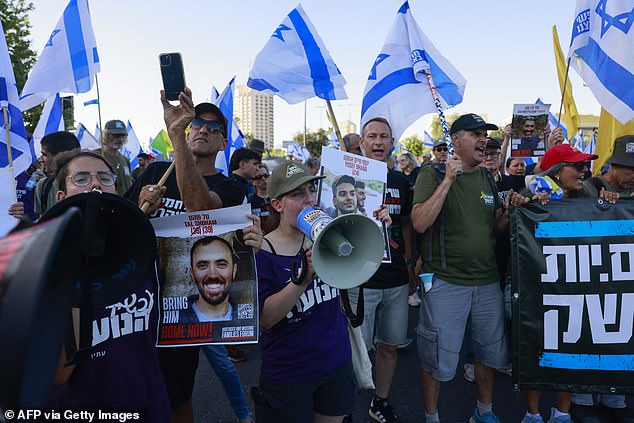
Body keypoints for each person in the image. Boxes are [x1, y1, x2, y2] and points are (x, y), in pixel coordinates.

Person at [127, 89, 261, 423]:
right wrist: (140, 207)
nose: (202, 129)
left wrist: (177, 138)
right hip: (136, 302)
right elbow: (123, 232)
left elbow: (200, 209)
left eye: (212, 127)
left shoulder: (231, 187)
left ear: (223, 141)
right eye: (196, 123)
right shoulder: (155, 172)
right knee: (128, 390)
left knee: (177, 398)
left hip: (181, 311)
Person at [411, 113, 521, 423]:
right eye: (475, 134)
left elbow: (494, 228)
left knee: (487, 354)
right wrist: (448, 180)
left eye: (485, 134)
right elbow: (419, 223)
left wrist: (508, 213)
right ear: (455, 140)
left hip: (487, 281)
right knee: (436, 359)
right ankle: (432, 416)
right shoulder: (432, 174)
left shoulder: (487, 177)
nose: (483, 139)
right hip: (446, 281)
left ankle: (483, 412)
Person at [46, 149, 171, 422]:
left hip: (147, 404)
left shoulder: (141, 248)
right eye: (80, 178)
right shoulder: (46, 265)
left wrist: (247, 251)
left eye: (104, 177)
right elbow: (59, 374)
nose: (94, 184)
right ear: (61, 197)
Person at [254, 160, 355, 423]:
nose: (309, 199)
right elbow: (266, 318)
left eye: (311, 190)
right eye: (297, 194)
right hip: (289, 373)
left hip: (335, 361)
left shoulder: (328, 237)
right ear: (277, 204)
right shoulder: (262, 252)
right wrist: (302, 278)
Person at [520, 143, 601, 423]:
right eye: (577, 166)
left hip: (573, 285)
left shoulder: (590, 192)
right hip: (536, 284)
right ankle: (532, 414)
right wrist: (525, 205)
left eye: (585, 166)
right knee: (535, 345)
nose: (584, 171)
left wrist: (612, 201)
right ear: (557, 171)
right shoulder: (530, 193)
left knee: (569, 345)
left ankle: (562, 414)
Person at [347, 117, 416, 423]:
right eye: (371, 136)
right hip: (360, 280)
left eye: (384, 137)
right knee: (356, 352)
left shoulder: (401, 181)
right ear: (361, 142)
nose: (377, 142)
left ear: (392, 143)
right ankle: (343, 408)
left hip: (396, 279)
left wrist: (411, 264)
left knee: (389, 346)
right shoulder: (347, 178)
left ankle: (380, 402)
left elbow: (407, 226)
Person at [180, 236, 239, 323]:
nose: (212, 275)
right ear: (192, 273)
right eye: (202, 266)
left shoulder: (249, 315)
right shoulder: (176, 317)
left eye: (221, 264)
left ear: (234, 270)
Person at [34, 131, 81, 216]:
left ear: (59, 156)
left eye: (44, 154)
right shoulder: (43, 185)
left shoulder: (92, 183)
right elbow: (42, 223)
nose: (40, 160)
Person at [93, 119, 132, 195]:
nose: (120, 139)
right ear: (106, 135)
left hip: (125, 204)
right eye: (116, 136)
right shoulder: (95, 156)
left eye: (122, 136)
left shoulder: (125, 160)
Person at [249, 164, 271, 233]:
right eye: (259, 177)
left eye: (266, 176)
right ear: (253, 182)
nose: (263, 179)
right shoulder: (249, 201)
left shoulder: (277, 197)